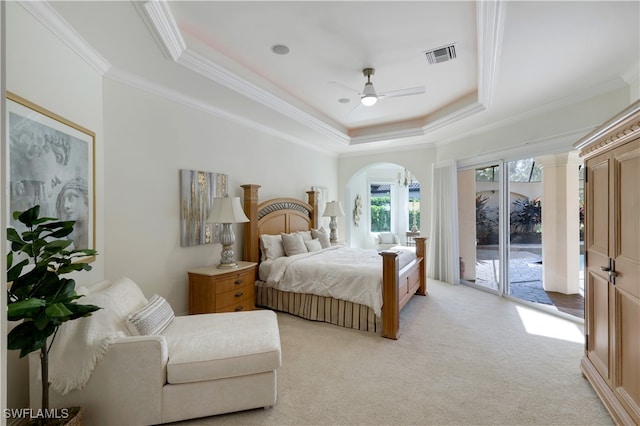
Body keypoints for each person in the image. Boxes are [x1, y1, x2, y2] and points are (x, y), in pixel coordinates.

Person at [56, 177, 89, 250]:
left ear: (86, 199)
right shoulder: (69, 238)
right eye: (64, 200)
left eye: (71, 198)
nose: (65, 206)